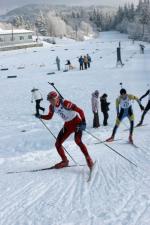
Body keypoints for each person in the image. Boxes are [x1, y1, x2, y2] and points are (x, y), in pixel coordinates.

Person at [35, 91, 94, 170]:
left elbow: (80, 111)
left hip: (77, 123)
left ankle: (89, 159)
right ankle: (65, 161)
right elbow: (49, 117)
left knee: (78, 141)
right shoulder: (51, 107)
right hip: (67, 125)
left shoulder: (66, 103)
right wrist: (40, 116)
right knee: (58, 144)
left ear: (56, 98)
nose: (50, 102)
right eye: (49, 100)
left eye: (51, 100)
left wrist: (83, 123)